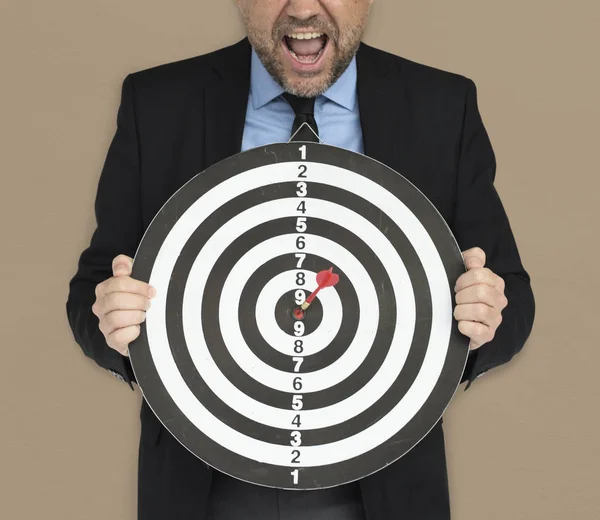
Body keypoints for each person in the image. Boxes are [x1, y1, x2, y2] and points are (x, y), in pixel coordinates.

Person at [66, 1, 535, 518]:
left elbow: (511, 296)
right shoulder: (157, 102)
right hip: (201, 487)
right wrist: (109, 316)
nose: (305, 7)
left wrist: (487, 314)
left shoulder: (442, 105)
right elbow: (93, 286)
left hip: (382, 491)